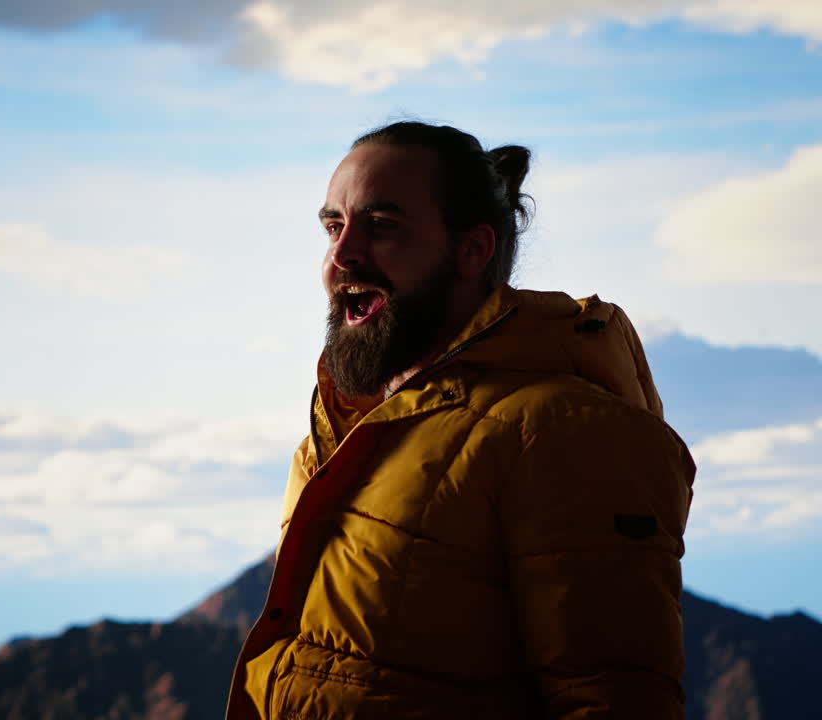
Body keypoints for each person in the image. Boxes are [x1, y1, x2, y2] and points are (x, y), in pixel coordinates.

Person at [225, 121, 696, 720]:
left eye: (382, 225)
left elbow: (613, 699)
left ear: (472, 250)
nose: (341, 256)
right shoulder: (343, 433)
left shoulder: (560, 430)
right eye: (334, 227)